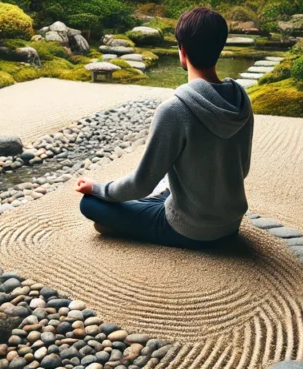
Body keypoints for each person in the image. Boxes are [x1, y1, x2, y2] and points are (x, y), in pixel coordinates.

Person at [75, 7, 254, 249]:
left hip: (189, 229)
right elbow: (241, 170)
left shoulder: (174, 109)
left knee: (90, 204)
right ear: (219, 49)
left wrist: (97, 188)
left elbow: (141, 184)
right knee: (163, 193)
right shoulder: (240, 102)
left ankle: (123, 226)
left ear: (182, 50)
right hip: (231, 223)